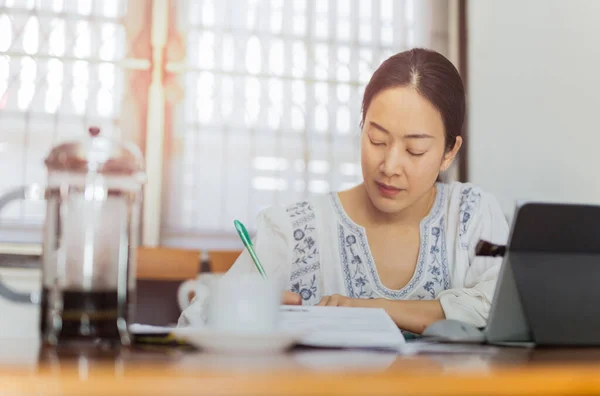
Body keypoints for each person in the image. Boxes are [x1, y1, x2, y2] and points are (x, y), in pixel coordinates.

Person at [178, 48, 509, 334]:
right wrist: (246, 316)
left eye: (415, 151)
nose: (390, 165)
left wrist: (375, 310)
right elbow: (191, 325)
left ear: (449, 152)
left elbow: (503, 306)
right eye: (377, 140)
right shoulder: (294, 231)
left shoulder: (473, 215)